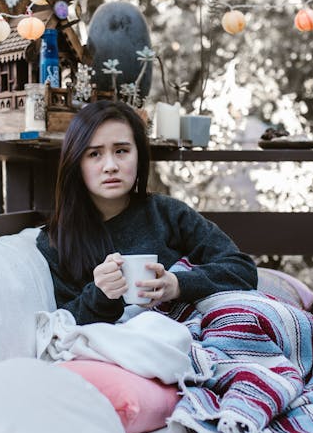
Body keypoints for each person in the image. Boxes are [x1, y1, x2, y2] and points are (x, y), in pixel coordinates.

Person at [36, 100, 258, 325]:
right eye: (94, 154)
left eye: (121, 150)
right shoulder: (55, 241)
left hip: (187, 334)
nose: (110, 165)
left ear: (139, 156)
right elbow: (63, 323)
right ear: (76, 162)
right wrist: (100, 294)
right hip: (118, 349)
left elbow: (242, 269)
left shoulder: (167, 213)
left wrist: (177, 285)